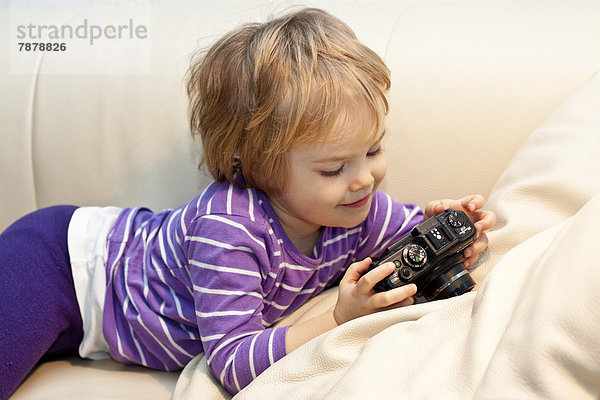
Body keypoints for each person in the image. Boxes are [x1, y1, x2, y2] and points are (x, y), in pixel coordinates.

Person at [0, 7, 496, 398]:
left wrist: (452, 237)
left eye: (374, 150)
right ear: (260, 167)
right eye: (333, 168)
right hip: (65, 270)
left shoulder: (356, 208)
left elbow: (409, 246)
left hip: (93, 326)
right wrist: (338, 319)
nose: (365, 180)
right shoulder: (230, 227)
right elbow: (233, 363)